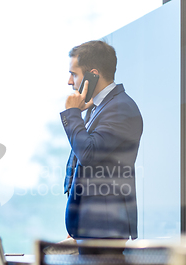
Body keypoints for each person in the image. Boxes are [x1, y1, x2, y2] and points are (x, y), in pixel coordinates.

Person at [61, 40, 143, 249]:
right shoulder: (101, 107)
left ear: (93, 74)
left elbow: (88, 154)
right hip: (92, 229)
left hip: (104, 230)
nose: (70, 81)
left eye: (74, 74)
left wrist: (72, 113)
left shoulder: (120, 108)